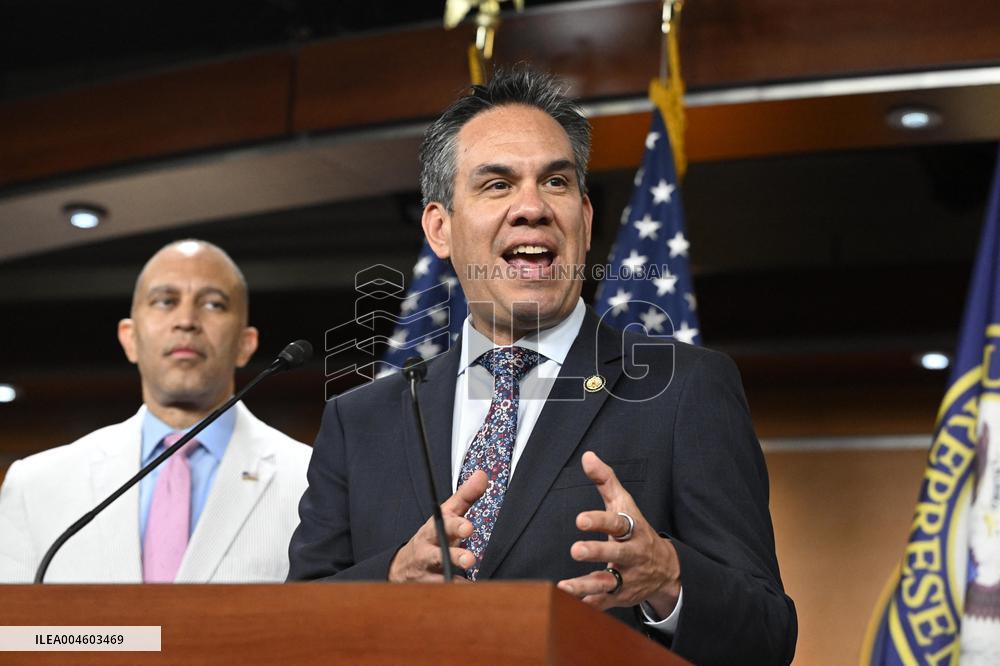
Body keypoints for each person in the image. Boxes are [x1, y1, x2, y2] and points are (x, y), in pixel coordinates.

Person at [288, 68, 796, 665]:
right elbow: (298, 628)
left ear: (583, 216)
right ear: (440, 228)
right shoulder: (361, 420)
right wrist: (392, 579)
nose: (532, 207)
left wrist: (669, 580)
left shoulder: (683, 389)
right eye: (497, 185)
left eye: (555, 182)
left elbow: (768, 634)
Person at [0, 239, 311, 583]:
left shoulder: (310, 480)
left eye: (213, 304)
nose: (186, 321)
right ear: (129, 338)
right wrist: (125, 642)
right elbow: (16, 632)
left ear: (245, 344)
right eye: (165, 301)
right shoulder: (36, 485)